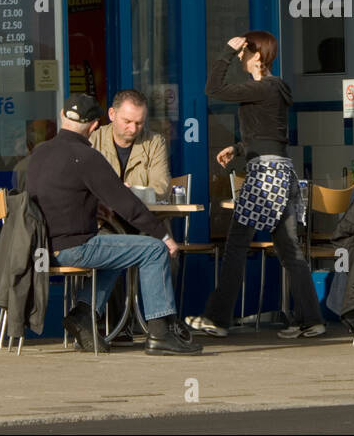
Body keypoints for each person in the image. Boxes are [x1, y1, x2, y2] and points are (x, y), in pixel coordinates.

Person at [25, 93, 201, 356]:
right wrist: (164, 237)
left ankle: (84, 313)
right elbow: (125, 203)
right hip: (75, 247)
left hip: (41, 247)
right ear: (95, 125)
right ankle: (160, 333)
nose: (133, 129)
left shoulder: (39, 153)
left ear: (62, 117)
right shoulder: (85, 156)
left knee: (120, 249)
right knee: (153, 249)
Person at [187, 32, 325, 340]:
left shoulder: (263, 88)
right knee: (289, 250)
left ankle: (217, 318)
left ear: (258, 56)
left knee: (236, 246)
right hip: (280, 171)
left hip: (264, 175)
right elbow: (266, 133)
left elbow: (213, 89)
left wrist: (224, 50)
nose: (240, 57)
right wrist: (237, 149)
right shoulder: (273, 90)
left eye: (244, 52)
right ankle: (312, 319)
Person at [89, 89, 171, 201]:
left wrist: (130, 194)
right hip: (102, 216)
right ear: (112, 114)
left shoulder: (154, 142)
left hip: (142, 214)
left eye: (139, 123)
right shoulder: (92, 140)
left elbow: (160, 188)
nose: (133, 129)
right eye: (127, 121)